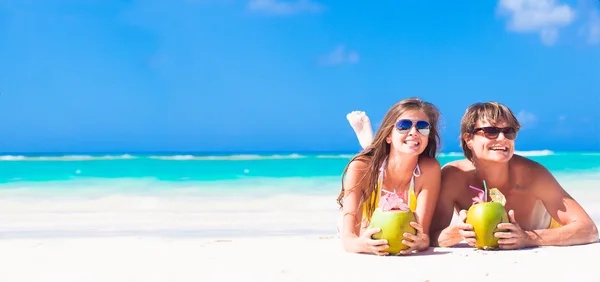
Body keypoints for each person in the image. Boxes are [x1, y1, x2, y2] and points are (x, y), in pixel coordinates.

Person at [428, 101, 599, 249]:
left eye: (509, 132)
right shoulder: (454, 177)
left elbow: (588, 229)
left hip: (550, 231)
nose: (502, 138)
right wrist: (456, 233)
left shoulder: (533, 175)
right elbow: (432, 236)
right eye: (491, 131)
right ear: (468, 139)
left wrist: (527, 238)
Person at [337, 98, 442, 256]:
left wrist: (420, 242)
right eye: (404, 126)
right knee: (370, 164)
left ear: (428, 137)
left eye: (422, 127)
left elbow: (423, 234)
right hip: (366, 221)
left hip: (397, 226)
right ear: (388, 136)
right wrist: (361, 243)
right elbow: (348, 239)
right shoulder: (360, 167)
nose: (414, 132)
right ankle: (369, 143)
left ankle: (370, 144)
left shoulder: (429, 169)